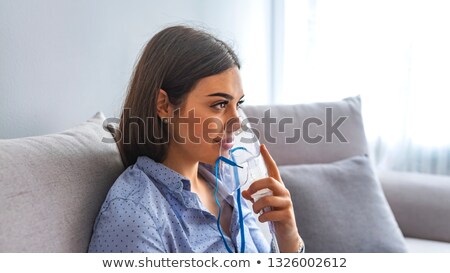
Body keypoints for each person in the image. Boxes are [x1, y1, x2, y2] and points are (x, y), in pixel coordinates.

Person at [88, 25, 304, 253]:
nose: (237, 122)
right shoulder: (134, 214)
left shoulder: (226, 182)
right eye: (219, 104)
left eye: (237, 104)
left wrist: (288, 237)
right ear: (164, 105)